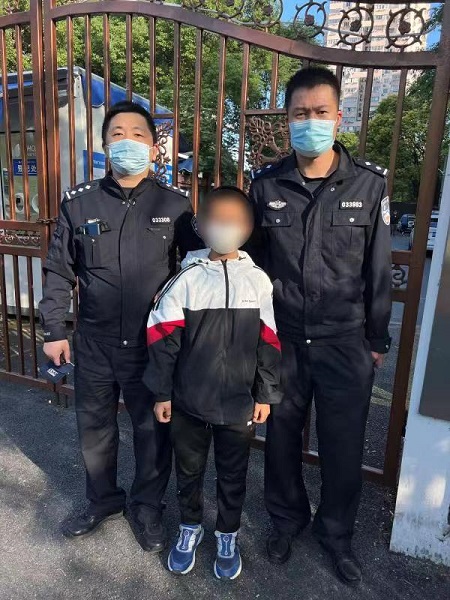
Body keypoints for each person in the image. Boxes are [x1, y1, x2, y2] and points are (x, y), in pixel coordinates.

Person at [247, 67, 392, 586]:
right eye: (300, 113)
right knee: (281, 439)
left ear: (338, 117)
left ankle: (336, 534)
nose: (310, 121)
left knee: (343, 445)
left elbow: (378, 269)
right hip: (284, 340)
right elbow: (252, 266)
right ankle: (286, 520)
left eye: (320, 112)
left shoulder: (369, 184)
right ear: (287, 119)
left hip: (344, 342)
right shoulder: (266, 185)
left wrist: (376, 338)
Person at [39, 101, 200, 552]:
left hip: (152, 345)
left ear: (154, 148)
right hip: (95, 341)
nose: (128, 141)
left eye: (138, 134)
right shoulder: (79, 202)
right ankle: (102, 499)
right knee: (94, 428)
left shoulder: (175, 204)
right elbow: (59, 270)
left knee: (152, 430)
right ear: (105, 145)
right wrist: (54, 329)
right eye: (117, 134)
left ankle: (147, 507)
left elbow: (195, 270)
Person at [144, 186, 282, 580]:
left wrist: (265, 393)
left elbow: (269, 340)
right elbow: (162, 339)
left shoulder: (258, 281)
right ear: (200, 225)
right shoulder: (185, 278)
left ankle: (227, 533)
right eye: (216, 220)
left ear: (249, 227)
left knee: (233, 474)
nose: (225, 227)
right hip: (189, 401)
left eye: (234, 221)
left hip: (239, 404)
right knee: (189, 471)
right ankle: (190, 526)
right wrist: (162, 393)